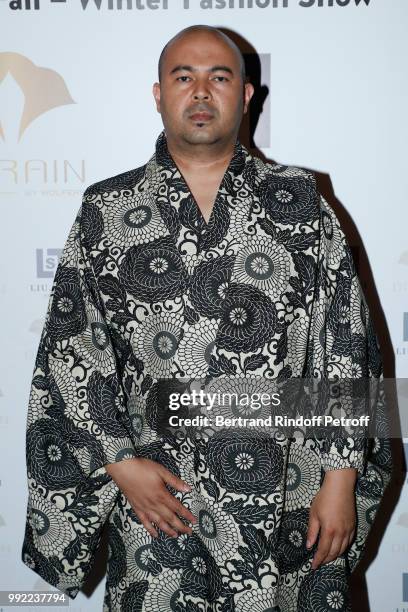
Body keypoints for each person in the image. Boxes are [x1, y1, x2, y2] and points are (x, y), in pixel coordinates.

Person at [21, 24, 392, 612]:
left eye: (219, 77)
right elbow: (72, 350)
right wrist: (120, 465)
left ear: (245, 97)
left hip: (288, 492)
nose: (200, 91)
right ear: (158, 94)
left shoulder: (300, 200)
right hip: (160, 500)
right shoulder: (107, 208)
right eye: (183, 77)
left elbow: (347, 341)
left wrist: (342, 479)